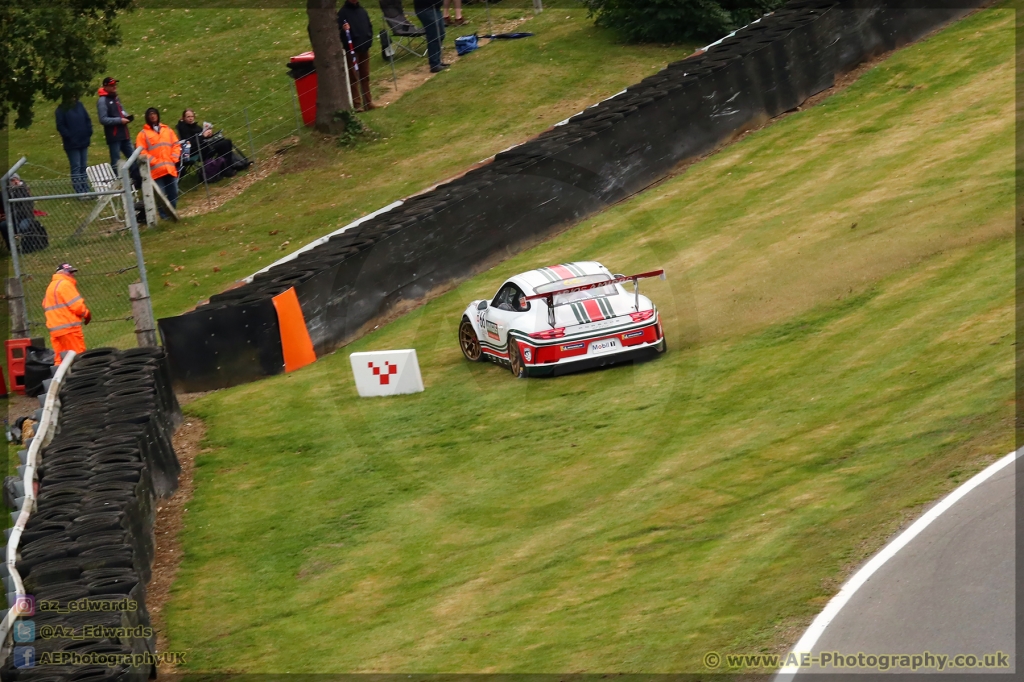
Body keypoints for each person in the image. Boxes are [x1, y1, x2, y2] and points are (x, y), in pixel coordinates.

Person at [96, 77, 141, 189]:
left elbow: (121, 111)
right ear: (105, 87)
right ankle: (117, 184)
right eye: (112, 85)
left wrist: (125, 116)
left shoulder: (116, 98)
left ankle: (137, 180)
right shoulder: (102, 101)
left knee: (133, 157)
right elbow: (103, 119)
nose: (114, 87)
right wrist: (119, 120)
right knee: (116, 160)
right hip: (114, 135)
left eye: (115, 84)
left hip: (124, 133)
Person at [136, 108, 181, 216]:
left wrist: (174, 158)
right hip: (156, 171)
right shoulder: (143, 134)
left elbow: (176, 144)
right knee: (160, 195)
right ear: (147, 117)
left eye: (154, 114)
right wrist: (154, 161)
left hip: (169, 168)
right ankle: (164, 216)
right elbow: (141, 151)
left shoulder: (167, 130)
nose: (153, 116)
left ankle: (173, 213)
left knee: (173, 192)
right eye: (150, 114)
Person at [43, 263, 91, 365]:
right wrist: (86, 314)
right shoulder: (65, 284)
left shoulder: (51, 287)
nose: (72, 274)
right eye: (70, 272)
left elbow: (45, 305)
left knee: (60, 361)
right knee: (78, 358)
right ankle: (80, 380)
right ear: (62, 273)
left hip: (55, 331)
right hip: (69, 329)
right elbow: (77, 306)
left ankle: (59, 380)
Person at [337, 0, 376, 111]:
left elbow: (369, 26)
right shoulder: (342, 13)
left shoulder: (362, 11)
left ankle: (368, 102)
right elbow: (338, 32)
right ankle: (357, 104)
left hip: (364, 47)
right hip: (352, 50)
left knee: (365, 75)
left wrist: (369, 39)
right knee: (353, 77)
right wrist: (344, 30)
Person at [55, 98, 93, 194]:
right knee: (76, 166)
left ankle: (86, 189)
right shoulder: (61, 109)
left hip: (83, 140)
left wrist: (88, 132)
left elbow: (87, 119)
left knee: (83, 166)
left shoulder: (80, 105)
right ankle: (80, 191)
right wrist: (69, 136)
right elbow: (60, 126)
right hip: (72, 143)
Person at [414, 0, 449, 73]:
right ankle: (434, 64)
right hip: (426, 9)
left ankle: (438, 61)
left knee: (441, 34)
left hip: (435, 8)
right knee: (434, 35)